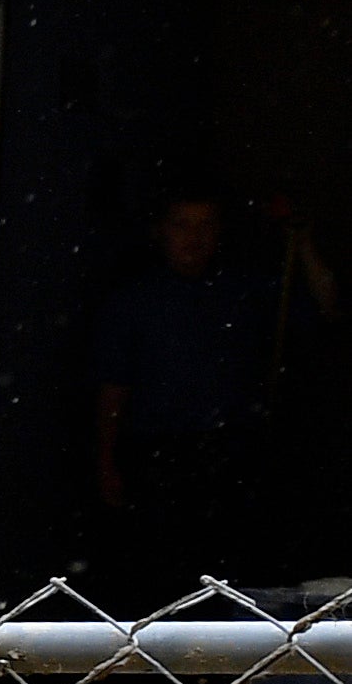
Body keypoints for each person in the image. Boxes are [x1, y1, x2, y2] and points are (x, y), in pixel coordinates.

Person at [97, 192, 279, 568]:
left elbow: (326, 305)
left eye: (205, 225)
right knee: (161, 565)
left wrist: (301, 235)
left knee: (227, 566)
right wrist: (106, 459)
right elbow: (113, 384)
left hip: (229, 454)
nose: (193, 237)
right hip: (157, 455)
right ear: (161, 230)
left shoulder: (242, 294)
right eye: (182, 225)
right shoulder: (135, 301)